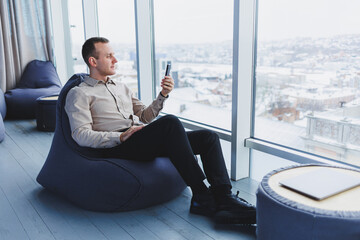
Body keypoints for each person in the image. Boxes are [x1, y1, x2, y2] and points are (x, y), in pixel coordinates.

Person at [65, 37, 256, 224]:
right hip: (118, 146)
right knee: (171, 123)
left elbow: (145, 115)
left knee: (208, 137)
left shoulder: (121, 87)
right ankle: (201, 195)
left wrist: (163, 95)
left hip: (138, 138)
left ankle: (224, 197)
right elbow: (80, 135)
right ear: (93, 61)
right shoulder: (79, 93)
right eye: (109, 56)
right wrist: (121, 136)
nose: (115, 60)